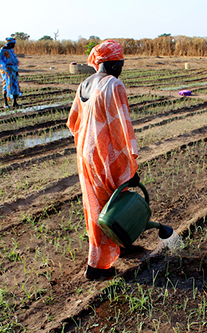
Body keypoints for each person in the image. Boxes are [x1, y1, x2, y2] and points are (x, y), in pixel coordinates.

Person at [66, 40, 140, 280]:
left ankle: (121, 244)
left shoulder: (83, 85)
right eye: (121, 62)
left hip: (86, 153)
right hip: (105, 154)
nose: (122, 66)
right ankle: (97, 267)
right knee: (110, 204)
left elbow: (73, 122)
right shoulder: (113, 84)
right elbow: (122, 125)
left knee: (96, 205)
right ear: (114, 62)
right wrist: (128, 163)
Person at [0, 37, 22, 108]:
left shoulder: (11, 50)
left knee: (15, 85)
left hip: (13, 70)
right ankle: (6, 103)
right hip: (6, 70)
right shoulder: (3, 50)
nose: (14, 46)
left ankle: (15, 102)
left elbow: (14, 60)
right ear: (9, 44)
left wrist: (16, 70)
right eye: (13, 44)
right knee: (6, 84)